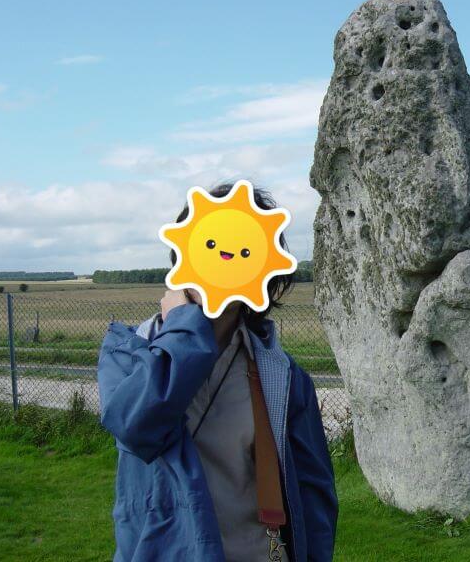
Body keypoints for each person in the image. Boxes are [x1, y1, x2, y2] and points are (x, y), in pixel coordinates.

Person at [97, 181, 338, 561]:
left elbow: (314, 499)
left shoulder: (284, 379)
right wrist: (183, 330)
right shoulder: (128, 352)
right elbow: (136, 426)